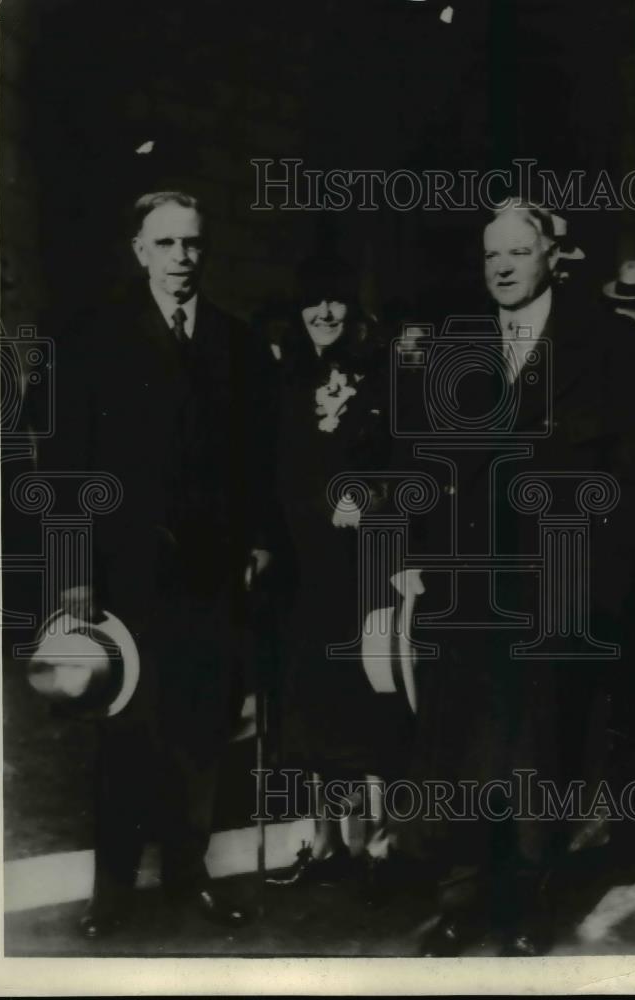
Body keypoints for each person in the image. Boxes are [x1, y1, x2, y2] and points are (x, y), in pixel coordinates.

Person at [396, 202, 635, 956]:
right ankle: (460, 900)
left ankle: (529, 903)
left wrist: (598, 583)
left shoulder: (607, 344)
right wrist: (414, 557)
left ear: (552, 256)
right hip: (463, 585)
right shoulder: (455, 343)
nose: (501, 267)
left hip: (555, 583)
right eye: (490, 255)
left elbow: (633, 477)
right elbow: (427, 462)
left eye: (517, 251)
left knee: (542, 748)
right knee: (458, 746)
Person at [37, 191, 274, 938]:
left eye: (193, 244)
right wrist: (73, 575)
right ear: (139, 251)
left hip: (209, 577)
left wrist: (259, 541)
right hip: (121, 579)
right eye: (166, 244)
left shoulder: (235, 344)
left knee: (198, 733)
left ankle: (185, 874)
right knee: (125, 735)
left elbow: (257, 460)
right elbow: (65, 466)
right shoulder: (92, 339)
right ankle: (111, 890)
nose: (182, 258)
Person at [265, 255, 412, 899]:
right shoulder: (286, 380)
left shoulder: (385, 376)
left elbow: (416, 467)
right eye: (312, 302)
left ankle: (381, 843)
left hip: (367, 570)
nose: (324, 313)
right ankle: (327, 842)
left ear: (353, 309)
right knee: (312, 707)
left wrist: (372, 496)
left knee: (371, 702)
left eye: (336, 301)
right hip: (305, 573)